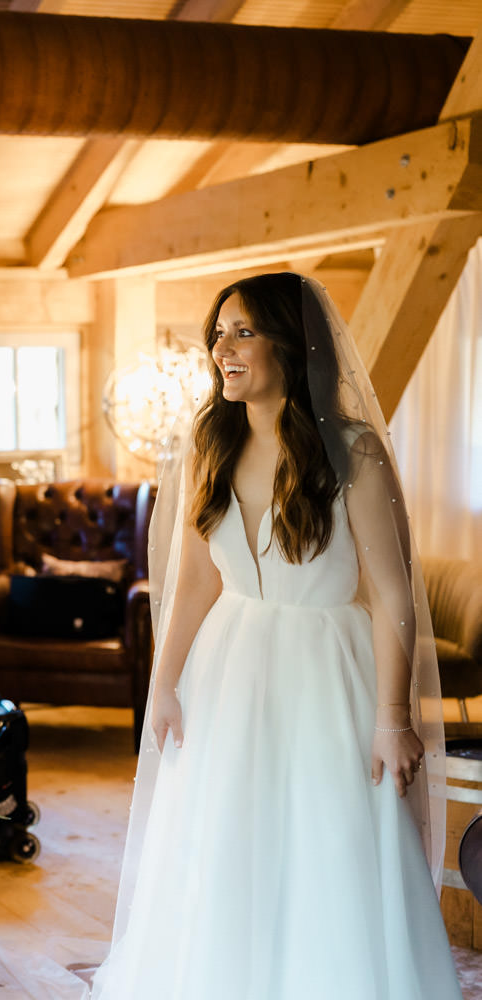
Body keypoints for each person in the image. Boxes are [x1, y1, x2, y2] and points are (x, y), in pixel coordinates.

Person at [88, 272, 461, 999]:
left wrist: (392, 719)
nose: (222, 348)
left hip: (328, 672)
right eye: (219, 333)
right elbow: (196, 578)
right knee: (225, 842)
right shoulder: (208, 442)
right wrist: (163, 685)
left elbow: (392, 598)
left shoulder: (354, 453)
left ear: (290, 344)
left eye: (243, 332)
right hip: (229, 669)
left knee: (330, 847)